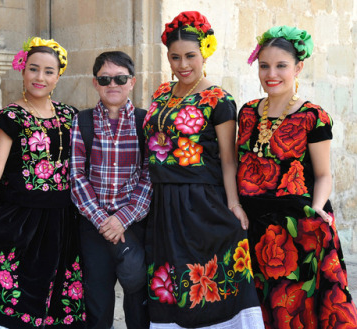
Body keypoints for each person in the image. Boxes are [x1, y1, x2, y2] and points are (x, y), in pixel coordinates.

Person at [143, 11, 264, 328]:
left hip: (201, 204)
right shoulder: (160, 94)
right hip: (163, 206)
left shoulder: (219, 99)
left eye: (190, 56)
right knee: (170, 288)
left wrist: (234, 204)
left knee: (207, 285)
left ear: (204, 52)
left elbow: (227, 159)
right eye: (175, 57)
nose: (183, 65)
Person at [0, 37, 86, 328]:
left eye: (48, 71)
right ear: (22, 70)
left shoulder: (71, 116)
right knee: (14, 293)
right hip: (19, 219)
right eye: (33, 69)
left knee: (54, 296)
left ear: (58, 76)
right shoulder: (11, 115)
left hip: (62, 222)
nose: (40, 77)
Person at [238, 25, 357, 328]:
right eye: (264, 66)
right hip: (252, 229)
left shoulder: (313, 116)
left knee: (292, 313)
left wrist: (317, 208)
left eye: (281, 65)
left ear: (298, 67)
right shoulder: (249, 112)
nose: (271, 73)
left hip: (296, 230)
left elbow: (323, 174)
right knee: (258, 311)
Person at [70, 51, 152, 329]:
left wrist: (122, 219)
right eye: (105, 79)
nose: (112, 84)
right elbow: (77, 176)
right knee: (98, 303)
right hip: (94, 228)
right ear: (95, 83)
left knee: (138, 297)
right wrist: (103, 221)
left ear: (132, 82)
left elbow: (149, 175)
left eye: (120, 78)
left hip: (134, 226)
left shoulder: (145, 122)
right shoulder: (82, 122)